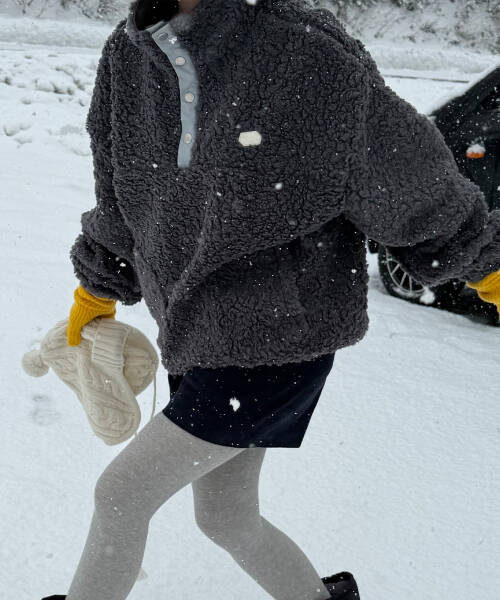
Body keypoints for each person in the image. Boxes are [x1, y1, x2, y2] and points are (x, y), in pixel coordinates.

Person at [42, 0, 500, 598]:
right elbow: (119, 190)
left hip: (278, 339)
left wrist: (484, 265)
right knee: (226, 517)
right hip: (194, 332)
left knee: (120, 497)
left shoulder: (304, 49)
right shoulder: (127, 54)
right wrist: (96, 286)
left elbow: (405, 176)